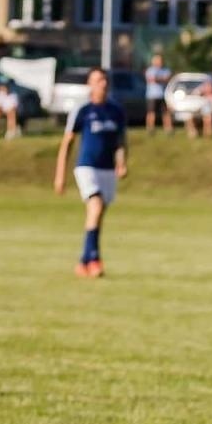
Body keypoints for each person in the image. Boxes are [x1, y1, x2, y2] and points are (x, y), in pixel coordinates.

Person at [53, 68, 128, 279]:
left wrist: (122, 163)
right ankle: (94, 260)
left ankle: (84, 261)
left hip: (107, 168)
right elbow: (67, 143)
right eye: (98, 80)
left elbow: (121, 142)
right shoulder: (83, 110)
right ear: (90, 84)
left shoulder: (116, 111)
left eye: (104, 80)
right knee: (95, 206)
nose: (102, 84)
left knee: (97, 215)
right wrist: (60, 175)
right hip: (87, 167)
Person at [144, 53, 172, 135]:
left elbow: (167, 78)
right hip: (152, 95)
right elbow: (151, 79)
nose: (159, 62)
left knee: (166, 112)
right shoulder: (150, 70)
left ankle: (168, 129)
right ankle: (150, 129)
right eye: (157, 60)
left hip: (163, 95)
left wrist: (158, 79)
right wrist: (161, 79)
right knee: (151, 112)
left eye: (160, 60)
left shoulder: (166, 70)